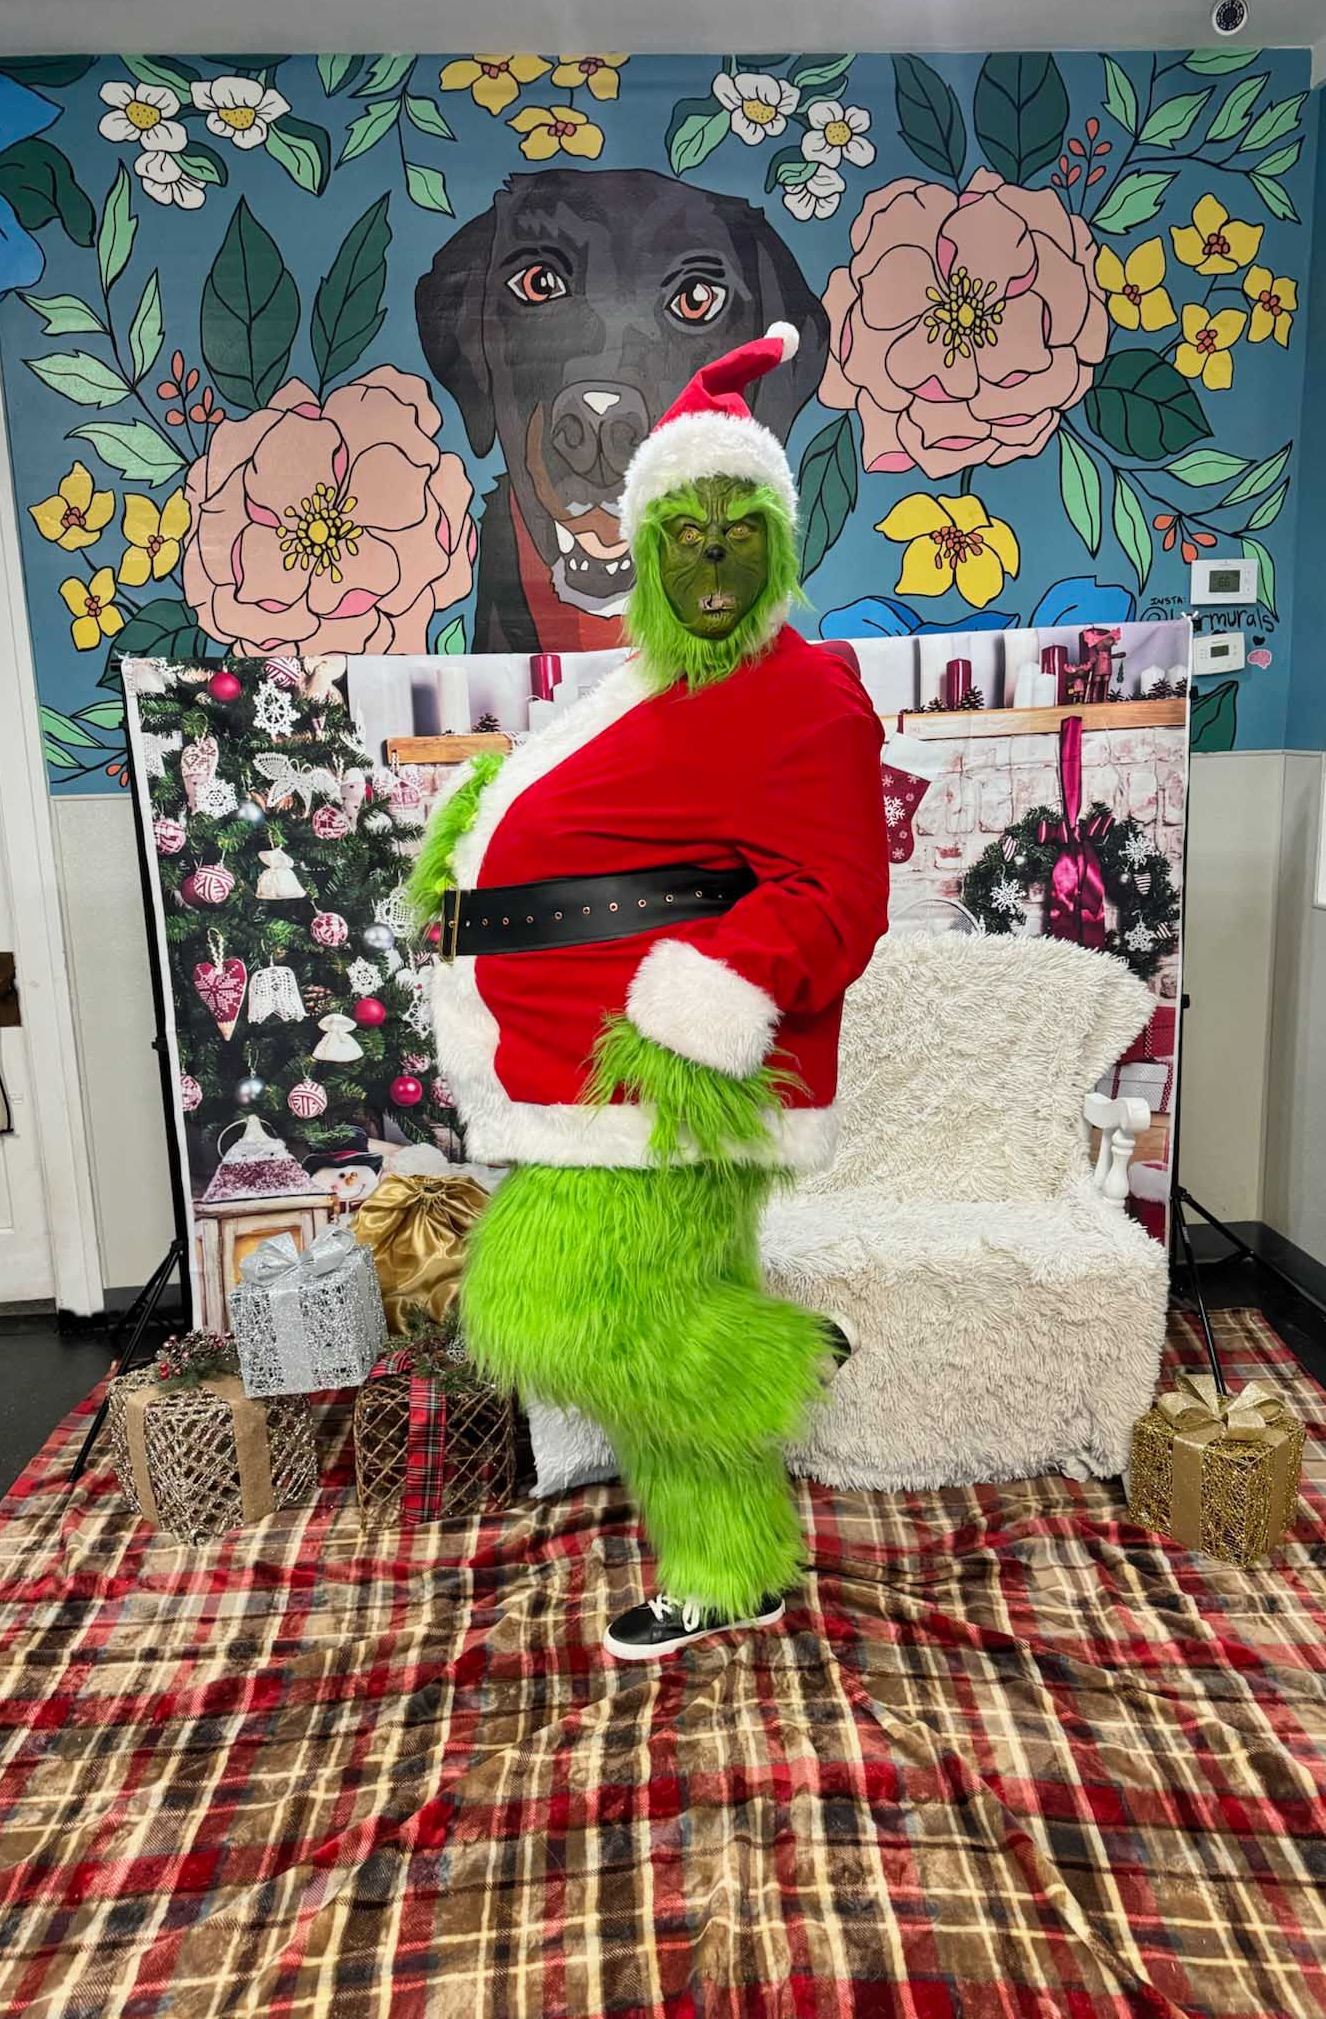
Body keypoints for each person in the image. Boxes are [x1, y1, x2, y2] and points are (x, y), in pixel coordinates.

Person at [409, 324, 889, 1658]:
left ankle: (770, 1359)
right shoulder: (643, 682)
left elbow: (837, 898)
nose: (714, 556)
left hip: (664, 1081)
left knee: (545, 1308)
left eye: (742, 529)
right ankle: (732, 1567)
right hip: (581, 1081)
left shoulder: (803, 697)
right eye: (685, 530)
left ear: (779, 542)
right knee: (641, 1326)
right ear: (648, 548)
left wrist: (704, 1001)